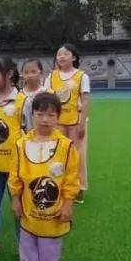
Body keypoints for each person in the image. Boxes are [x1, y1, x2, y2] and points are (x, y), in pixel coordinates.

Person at [8, 92, 81, 261]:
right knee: (27, 244)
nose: (45, 119)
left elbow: (71, 179)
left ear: (58, 117)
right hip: (28, 208)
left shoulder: (66, 146)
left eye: (51, 114)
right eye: (40, 114)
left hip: (53, 212)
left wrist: (68, 203)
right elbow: (15, 176)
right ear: (33, 115)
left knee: (50, 247)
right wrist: (15, 198)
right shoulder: (21, 144)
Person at [0, 57, 26, 259]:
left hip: (16, 166)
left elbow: (30, 132)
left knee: (18, 207)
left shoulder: (22, 100)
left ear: (9, 74)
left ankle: (23, 245)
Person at [47, 43, 89, 202]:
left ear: (74, 57)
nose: (61, 57)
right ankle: (59, 185)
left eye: (65, 54)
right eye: (59, 54)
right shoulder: (51, 77)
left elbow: (85, 101)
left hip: (75, 121)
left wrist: (82, 123)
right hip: (56, 122)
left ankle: (78, 188)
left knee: (77, 155)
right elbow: (46, 98)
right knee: (58, 153)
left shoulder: (81, 76)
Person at [20, 59, 47, 130]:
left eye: (33, 72)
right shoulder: (19, 96)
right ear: (22, 74)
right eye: (26, 72)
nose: (30, 75)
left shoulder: (48, 93)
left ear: (41, 73)